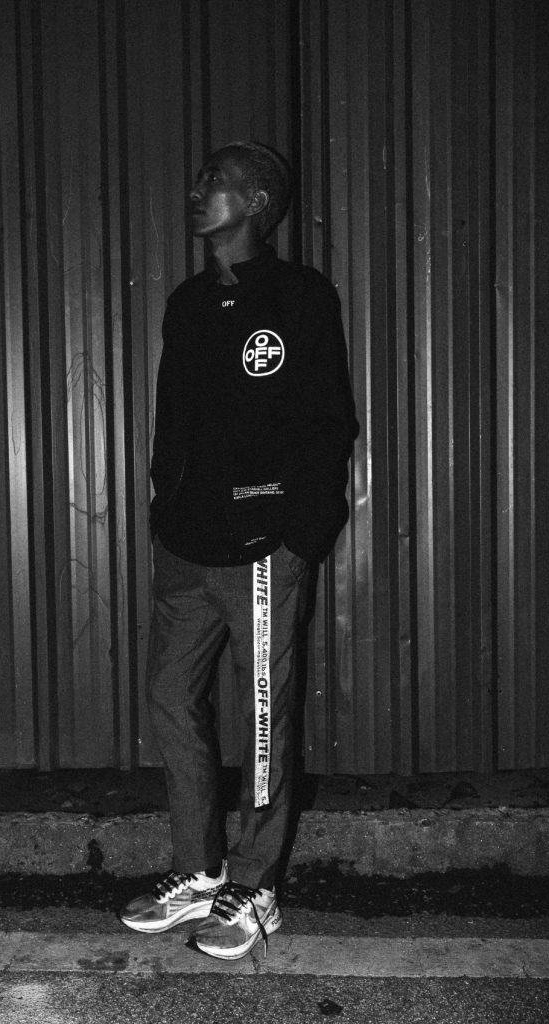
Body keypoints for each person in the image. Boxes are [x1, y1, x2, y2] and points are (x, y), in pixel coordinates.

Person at [119, 141, 359, 960]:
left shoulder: (299, 297)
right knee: (170, 699)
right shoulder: (188, 304)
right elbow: (173, 424)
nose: (197, 192)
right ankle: (198, 871)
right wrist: (166, 508)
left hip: (261, 548)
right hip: (186, 547)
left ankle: (255, 889)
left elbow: (328, 421)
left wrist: (300, 532)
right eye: (197, 180)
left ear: (256, 201)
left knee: (262, 722)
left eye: (213, 182)